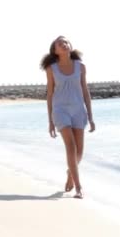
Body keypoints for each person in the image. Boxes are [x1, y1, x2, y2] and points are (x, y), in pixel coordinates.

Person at [41, 36, 96, 199]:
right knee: (71, 148)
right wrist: (50, 121)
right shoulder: (51, 69)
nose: (64, 44)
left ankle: (70, 173)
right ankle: (79, 188)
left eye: (66, 42)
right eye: (60, 43)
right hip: (60, 110)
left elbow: (85, 91)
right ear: (55, 50)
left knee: (79, 152)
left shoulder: (81, 66)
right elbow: (50, 94)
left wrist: (91, 116)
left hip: (78, 110)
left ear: (70, 46)